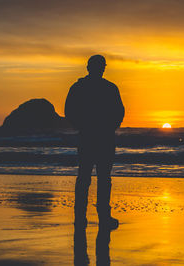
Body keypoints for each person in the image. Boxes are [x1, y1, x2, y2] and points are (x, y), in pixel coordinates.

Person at [65, 55, 125, 229]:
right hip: (101, 138)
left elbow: (69, 111)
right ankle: (102, 218)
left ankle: (82, 218)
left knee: (87, 178)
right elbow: (119, 112)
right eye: (101, 66)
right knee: (101, 179)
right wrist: (108, 127)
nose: (102, 69)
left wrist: (83, 127)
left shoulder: (80, 87)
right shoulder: (108, 88)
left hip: (91, 137)